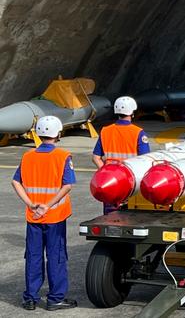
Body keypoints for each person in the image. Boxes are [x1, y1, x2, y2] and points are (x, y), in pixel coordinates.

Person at [12, 116, 77, 311]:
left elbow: (16, 182)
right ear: (57, 133)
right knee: (56, 256)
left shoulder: (28, 156)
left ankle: (30, 298)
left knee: (33, 256)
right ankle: (55, 298)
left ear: (38, 133)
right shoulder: (63, 156)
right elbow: (67, 185)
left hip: (33, 217)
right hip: (54, 217)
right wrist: (48, 205)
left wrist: (31, 204)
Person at [92, 96, 150, 213]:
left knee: (110, 220)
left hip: (111, 183)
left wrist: (106, 173)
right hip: (130, 183)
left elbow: (95, 158)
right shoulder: (138, 132)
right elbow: (145, 160)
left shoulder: (105, 131)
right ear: (132, 112)